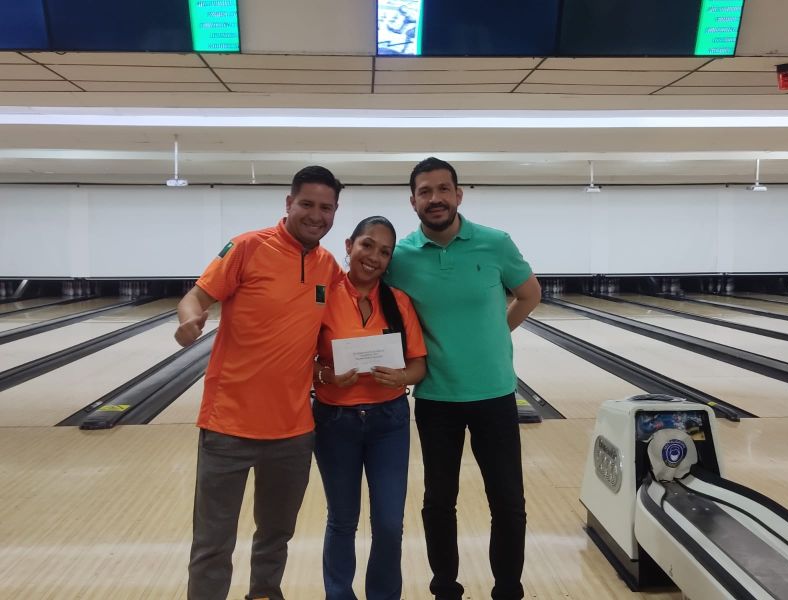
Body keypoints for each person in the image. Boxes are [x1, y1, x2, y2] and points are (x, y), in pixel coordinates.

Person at [174, 165, 344, 600]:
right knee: (213, 542)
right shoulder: (247, 247)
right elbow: (196, 295)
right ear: (289, 203)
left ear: (335, 212)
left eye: (326, 208)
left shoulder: (328, 267)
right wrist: (189, 319)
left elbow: (334, 333)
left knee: (275, 535)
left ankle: (264, 594)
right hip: (228, 425)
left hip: (293, 431)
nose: (316, 215)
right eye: (307, 204)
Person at [385, 157, 542, 600]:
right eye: (425, 191)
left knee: (508, 501)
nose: (434, 198)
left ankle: (508, 589)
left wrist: (496, 333)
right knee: (438, 501)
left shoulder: (495, 243)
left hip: (495, 394)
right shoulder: (400, 257)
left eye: (442, 189)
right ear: (413, 200)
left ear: (458, 194)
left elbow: (529, 295)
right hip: (436, 397)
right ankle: (444, 588)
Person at [313, 216, 427, 600]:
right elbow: (302, 361)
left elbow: (418, 365)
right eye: (367, 245)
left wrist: (402, 377)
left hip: (388, 421)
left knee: (390, 524)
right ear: (349, 246)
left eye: (384, 252)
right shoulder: (323, 297)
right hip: (334, 420)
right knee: (342, 521)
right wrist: (326, 376)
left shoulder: (399, 302)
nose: (374, 256)